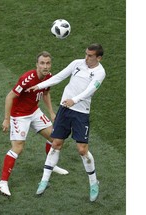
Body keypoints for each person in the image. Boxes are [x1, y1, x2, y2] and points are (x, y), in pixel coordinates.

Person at [26, 43, 106, 202]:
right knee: (56, 143)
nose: (86, 58)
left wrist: (74, 100)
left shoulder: (100, 72)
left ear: (99, 57)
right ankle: (44, 180)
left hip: (81, 113)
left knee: (82, 150)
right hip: (65, 109)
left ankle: (93, 183)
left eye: (90, 56)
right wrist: (39, 86)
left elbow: (90, 90)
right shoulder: (77, 63)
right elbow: (59, 77)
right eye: (86, 54)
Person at [0, 51, 69, 197]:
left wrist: (51, 112)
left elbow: (46, 93)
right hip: (19, 116)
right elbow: (10, 96)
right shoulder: (27, 79)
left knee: (55, 139)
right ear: (37, 65)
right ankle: (2, 183)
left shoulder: (49, 77)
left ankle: (51, 165)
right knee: (18, 148)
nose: (45, 66)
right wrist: (6, 118)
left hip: (34, 112)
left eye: (48, 63)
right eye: (42, 63)